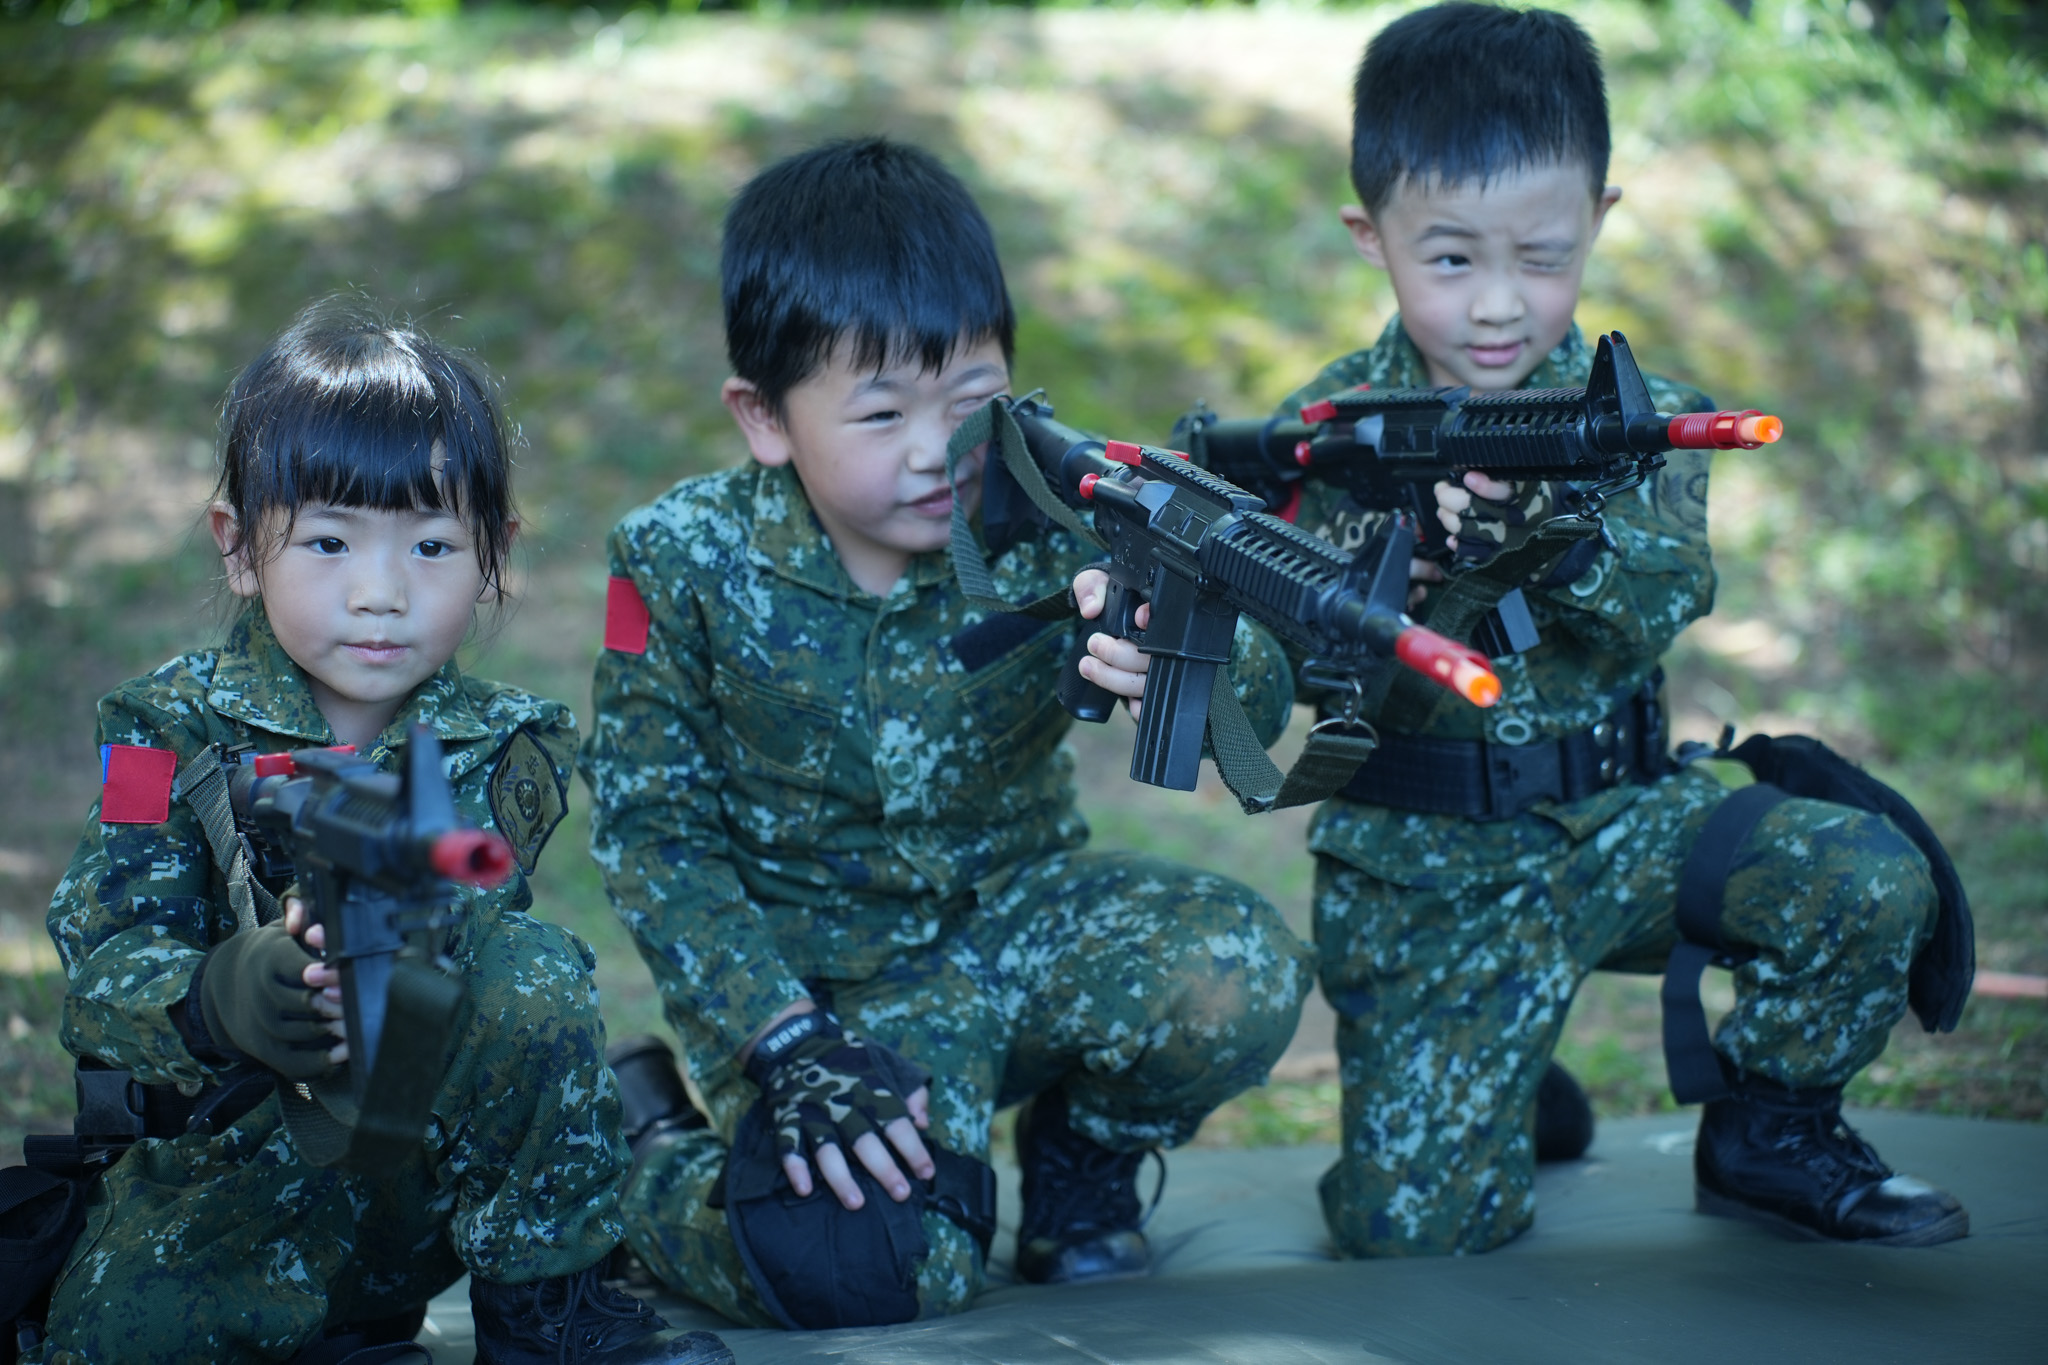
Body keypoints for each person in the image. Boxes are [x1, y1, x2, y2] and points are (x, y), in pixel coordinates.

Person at [581, 136, 1310, 1329]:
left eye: (970, 402)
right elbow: (653, 838)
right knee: (877, 1276)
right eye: (879, 413)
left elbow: (1263, 690)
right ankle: (642, 1158)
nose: (936, 452)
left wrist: (1193, 655)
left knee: (1237, 972)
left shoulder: (1055, 513)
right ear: (763, 418)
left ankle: (1078, 1171)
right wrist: (782, 1039)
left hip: (1013, 934)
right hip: (823, 998)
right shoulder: (676, 562)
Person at [1280, 3, 1969, 1258]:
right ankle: (1499, 1062)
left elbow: (1660, 594)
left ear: (1597, 221)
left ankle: (1769, 1127)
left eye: (1540, 258)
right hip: (1423, 875)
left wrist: (1542, 532)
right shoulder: (1320, 433)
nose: (1498, 307)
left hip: (1622, 827)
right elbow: (1277, 659)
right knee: (1410, 1238)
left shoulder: (1638, 423)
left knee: (1864, 873)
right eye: (1449, 261)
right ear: (1368, 236)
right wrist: (1387, 569)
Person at [30, 300, 731, 1365]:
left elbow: (477, 932)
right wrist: (224, 994)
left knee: (530, 968)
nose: (380, 593)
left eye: (432, 545)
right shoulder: (159, 731)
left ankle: (549, 1310)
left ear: (494, 557)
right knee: (117, 1339)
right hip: (236, 1175)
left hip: (428, 1184)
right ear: (238, 548)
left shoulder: (506, 739)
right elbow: (99, 972)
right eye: (326, 541)